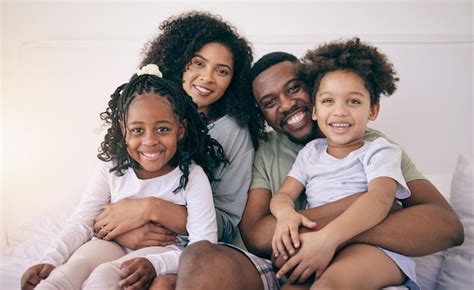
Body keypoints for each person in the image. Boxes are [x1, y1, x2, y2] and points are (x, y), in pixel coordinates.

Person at [171, 50, 464, 290]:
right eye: (270, 102)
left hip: (352, 260)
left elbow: (445, 227)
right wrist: (357, 206)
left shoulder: (374, 146)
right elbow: (258, 235)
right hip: (285, 262)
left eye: (294, 88)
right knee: (199, 256)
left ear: (313, 85)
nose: (286, 105)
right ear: (260, 113)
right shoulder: (270, 152)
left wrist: (330, 238)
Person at [88, 11, 265, 289]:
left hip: (193, 251)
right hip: (132, 242)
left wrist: (150, 209)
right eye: (197, 63)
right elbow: (106, 200)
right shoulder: (145, 112)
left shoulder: (233, 131)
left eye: (222, 70)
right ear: (177, 60)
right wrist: (126, 234)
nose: (207, 78)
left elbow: (226, 225)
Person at [20, 64, 227, 290]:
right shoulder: (111, 167)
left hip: (164, 253)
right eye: (138, 130)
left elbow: (203, 246)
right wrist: (50, 260)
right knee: (73, 268)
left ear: (180, 129)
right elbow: (82, 222)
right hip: (111, 244)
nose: (149, 141)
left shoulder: (192, 177)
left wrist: (155, 264)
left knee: (106, 275)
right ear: (123, 130)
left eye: (162, 129)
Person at [270, 38, 419, 289]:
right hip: (323, 244)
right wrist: (285, 215)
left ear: (373, 110)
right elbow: (284, 194)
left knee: (328, 286)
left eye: (353, 101)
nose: (339, 111)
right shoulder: (310, 153)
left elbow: (379, 200)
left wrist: (328, 239)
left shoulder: (380, 151)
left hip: (372, 248)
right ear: (314, 110)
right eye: (328, 101)